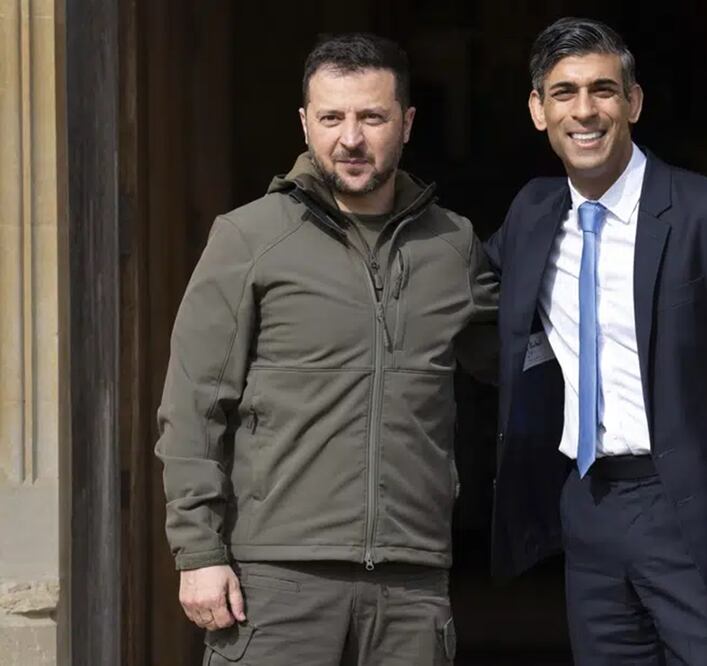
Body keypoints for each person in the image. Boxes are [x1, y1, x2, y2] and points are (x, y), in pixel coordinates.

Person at [486, 17, 707, 665]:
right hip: (588, 511)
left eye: (603, 90)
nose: (584, 111)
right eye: (563, 93)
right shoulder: (531, 215)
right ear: (538, 111)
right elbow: (461, 303)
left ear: (635, 102)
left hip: (700, 520)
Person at [155, 32, 496, 665]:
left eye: (372, 117)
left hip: (411, 579)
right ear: (305, 122)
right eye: (332, 117)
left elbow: (517, 360)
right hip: (276, 578)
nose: (351, 138)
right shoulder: (248, 238)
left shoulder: (453, 246)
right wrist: (199, 552)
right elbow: (194, 404)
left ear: (408, 123)